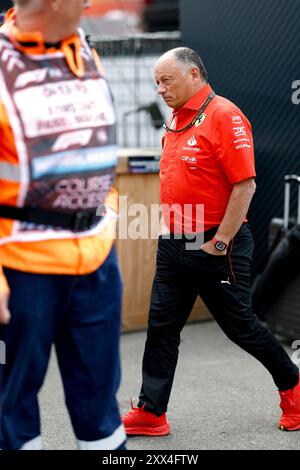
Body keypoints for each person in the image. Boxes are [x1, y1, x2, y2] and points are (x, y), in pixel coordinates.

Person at [122, 47, 300, 436]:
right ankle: (152, 412)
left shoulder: (225, 115)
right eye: (157, 81)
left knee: (241, 326)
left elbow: (245, 185)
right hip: (174, 243)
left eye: (166, 80)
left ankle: (294, 388)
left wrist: (220, 242)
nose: (159, 89)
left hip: (218, 244)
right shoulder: (176, 119)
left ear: (195, 75)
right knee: (162, 325)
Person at [0, 0, 126, 450]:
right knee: (12, 407)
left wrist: (105, 212)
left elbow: (101, 143)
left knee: (100, 403)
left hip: (96, 262)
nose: (91, 2)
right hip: (22, 268)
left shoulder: (85, 51)